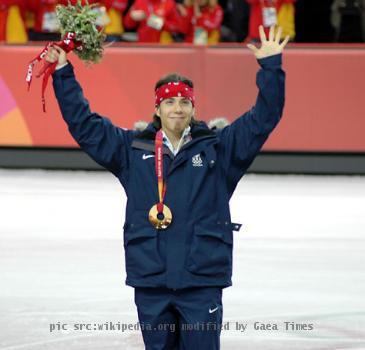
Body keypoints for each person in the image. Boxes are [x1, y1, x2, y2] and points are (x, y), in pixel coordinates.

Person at [45, 25, 289, 349]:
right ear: (157, 109)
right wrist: (62, 73)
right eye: (169, 101)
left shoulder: (218, 149)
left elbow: (263, 119)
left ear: (193, 108)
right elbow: (85, 126)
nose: (177, 108)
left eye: (184, 102)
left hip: (200, 279)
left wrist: (271, 67)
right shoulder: (131, 150)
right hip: (152, 279)